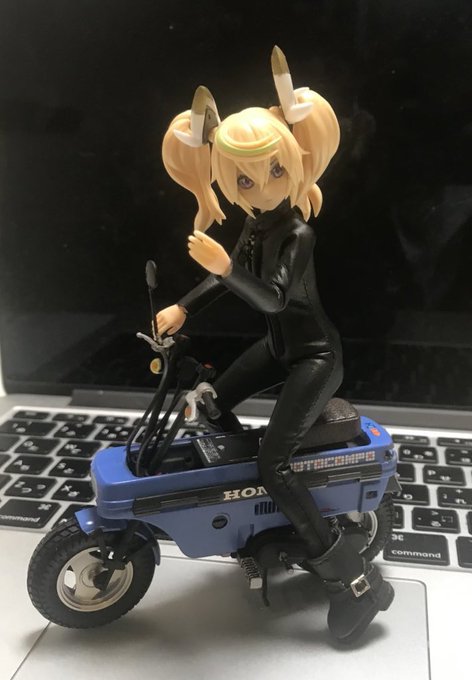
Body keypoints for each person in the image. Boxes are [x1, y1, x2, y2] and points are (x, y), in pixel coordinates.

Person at [155, 46, 394, 642]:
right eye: (243, 179)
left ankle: (351, 581)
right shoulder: (255, 224)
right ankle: (251, 517)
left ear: (296, 162)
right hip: (280, 349)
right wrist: (183, 306)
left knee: (274, 463)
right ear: (223, 179)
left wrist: (225, 267)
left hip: (315, 358)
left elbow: (274, 299)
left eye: (274, 172)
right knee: (210, 403)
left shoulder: (297, 233)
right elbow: (226, 277)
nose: (260, 189)